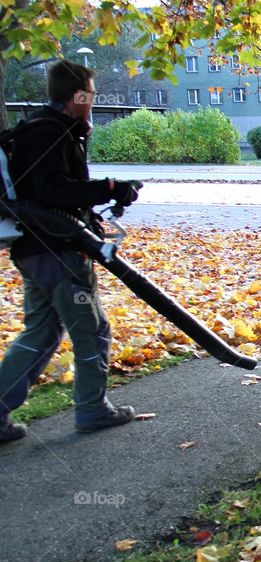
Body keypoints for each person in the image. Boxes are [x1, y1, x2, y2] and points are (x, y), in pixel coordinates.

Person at [0, 59, 142, 443]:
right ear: (78, 95)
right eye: (92, 94)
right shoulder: (51, 133)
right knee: (92, 329)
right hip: (59, 251)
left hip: (35, 250)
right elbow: (52, 191)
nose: (93, 101)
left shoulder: (38, 129)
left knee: (41, 331)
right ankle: (93, 410)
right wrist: (109, 188)